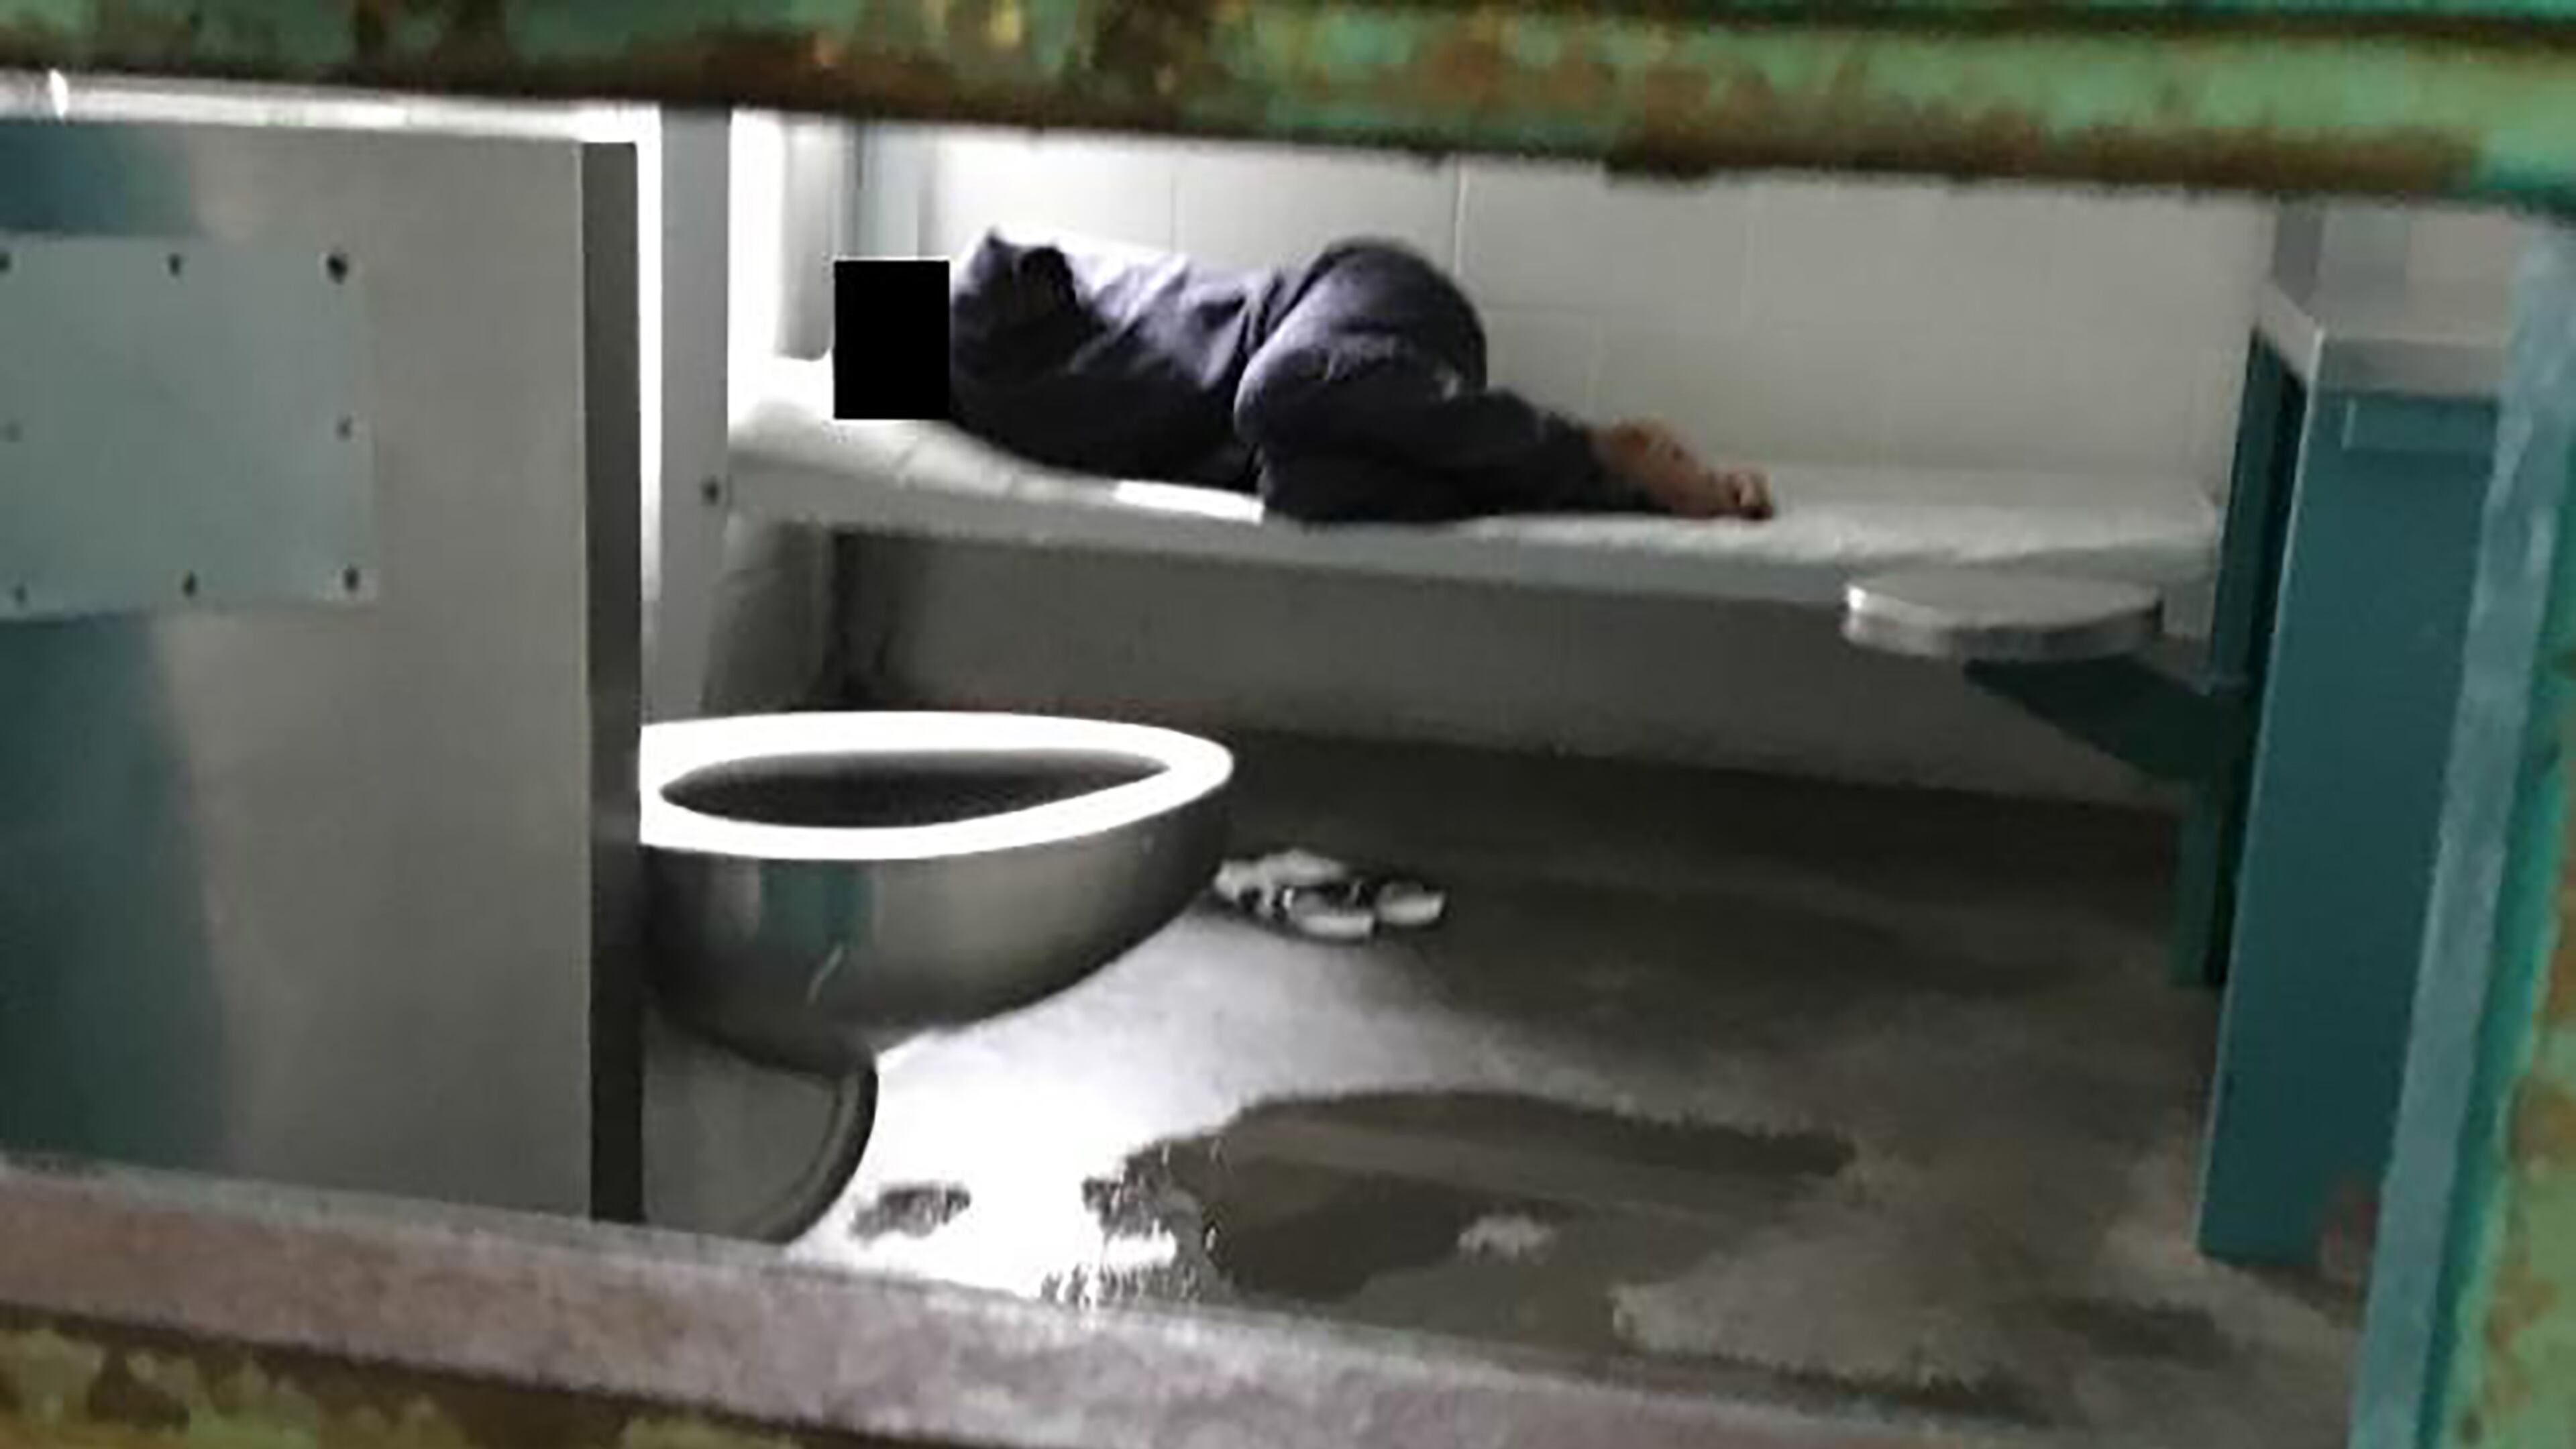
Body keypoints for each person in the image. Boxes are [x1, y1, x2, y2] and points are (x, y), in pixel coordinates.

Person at [947, 231, 1773, 525]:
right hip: (1301, 430)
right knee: (1304, 490)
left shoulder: (987, 283)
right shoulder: (908, 374)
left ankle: (1594, 453)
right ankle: (1610, 487)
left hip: (1356, 300)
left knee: (1278, 392)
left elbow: (1007, 259)